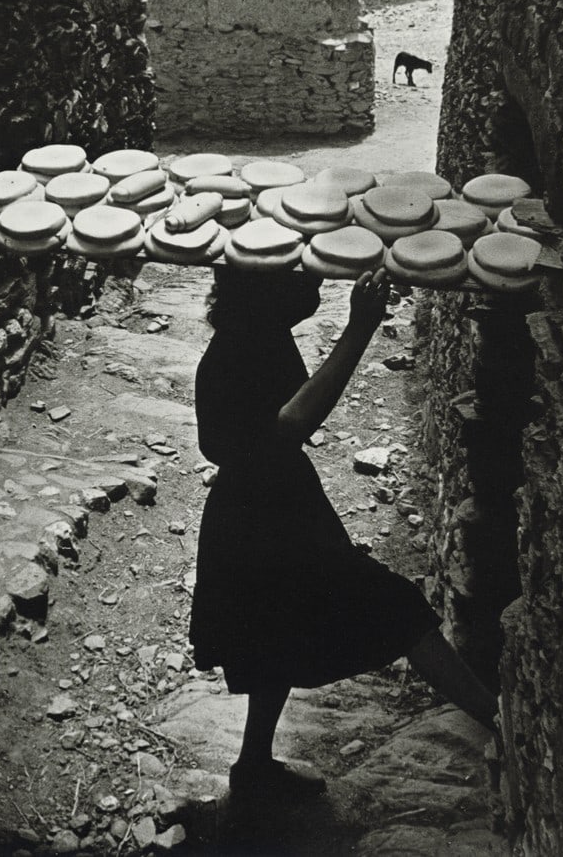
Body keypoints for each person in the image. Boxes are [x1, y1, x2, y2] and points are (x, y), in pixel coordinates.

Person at [190, 265, 498, 799]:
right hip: (260, 525)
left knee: (270, 641)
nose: (313, 280)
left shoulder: (259, 333)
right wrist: (358, 331)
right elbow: (285, 428)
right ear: (265, 292)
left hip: (272, 511)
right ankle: (507, 727)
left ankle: (254, 766)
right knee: (399, 611)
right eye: (296, 274)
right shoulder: (237, 351)